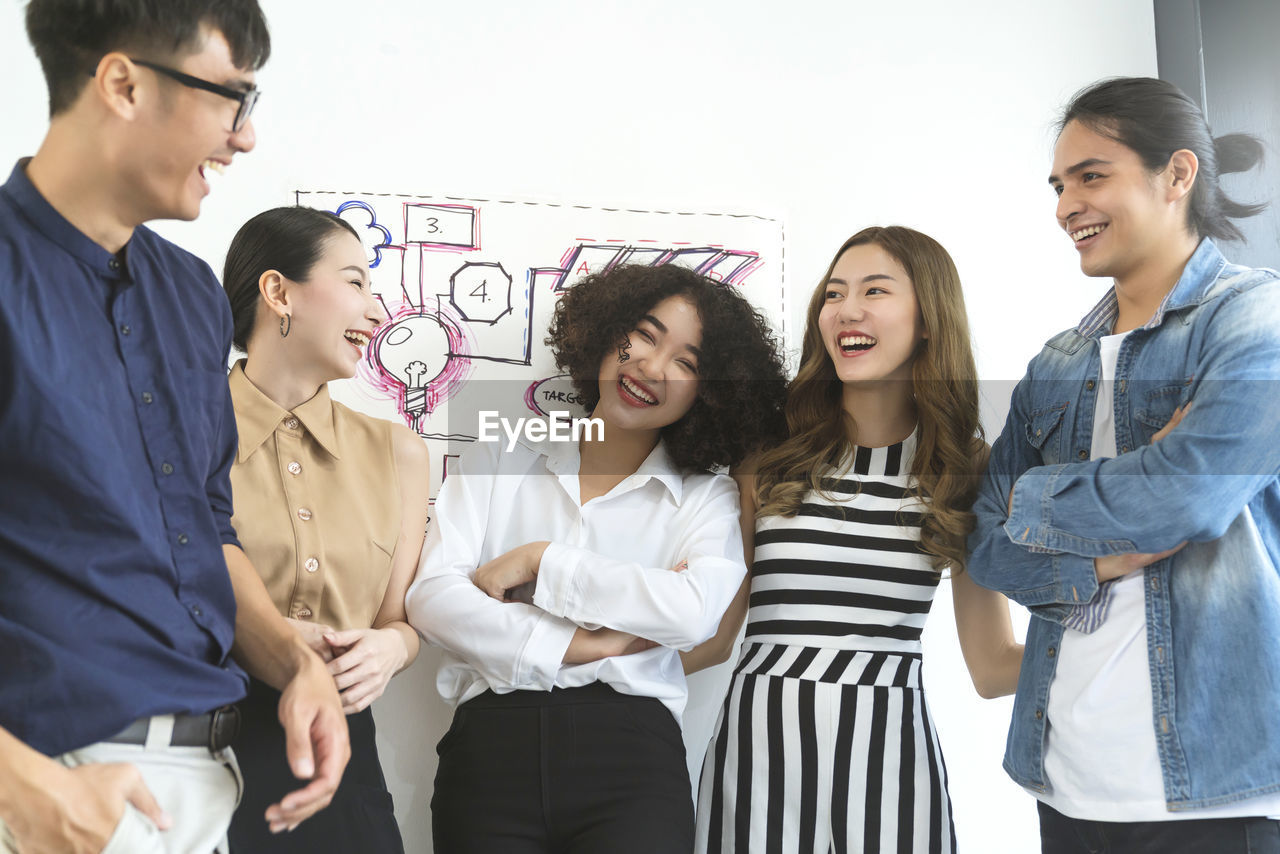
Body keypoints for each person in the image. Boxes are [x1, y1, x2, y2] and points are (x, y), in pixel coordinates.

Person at [0, 4, 350, 853]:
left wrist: (296, 664)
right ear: (122, 84)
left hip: (201, 781)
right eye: (232, 97)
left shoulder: (192, 294)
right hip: (51, 784)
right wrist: (20, 785)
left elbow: (201, 524)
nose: (245, 138)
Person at [967, 76, 1280, 854]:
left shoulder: (1255, 320)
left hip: (1214, 787)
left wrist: (1032, 502)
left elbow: (1185, 501)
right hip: (1065, 776)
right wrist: (1099, 560)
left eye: (1091, 175)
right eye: (1059, 185)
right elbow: (983, 545)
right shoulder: (1056, 364)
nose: (1066, 205)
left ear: (1177, 175)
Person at [405, 262, 788, 853]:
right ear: (606, 329)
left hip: (632, 761)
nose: (651, 367)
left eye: (687, 363)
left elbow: (691, 615)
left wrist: (541, 562)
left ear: (710, 393)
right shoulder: (501, 456)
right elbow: (433, 600)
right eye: (645, 334)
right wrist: (596, 644)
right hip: (490, 752)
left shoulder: (705, 497)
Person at [689, 225, 1023, 853]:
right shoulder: (767, 449)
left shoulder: (965, 468)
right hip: (759, 757)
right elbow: (713, 636)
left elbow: (992, 666)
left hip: (892, 763)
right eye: (834, 294)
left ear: (929, 318)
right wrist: (559, 658)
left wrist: (1122, 651)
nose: (847, 310)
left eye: (875, 290)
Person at [219, 207, 429, 852]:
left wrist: (394, 650)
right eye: (356, 283)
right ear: (278, 292)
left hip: (341, 754)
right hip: (205, 742)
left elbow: (398, 619)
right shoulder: (181, 435)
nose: (376, 310)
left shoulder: (398, 452)